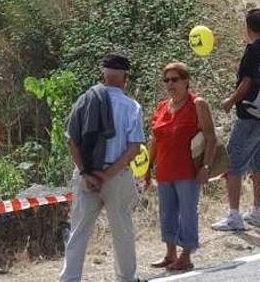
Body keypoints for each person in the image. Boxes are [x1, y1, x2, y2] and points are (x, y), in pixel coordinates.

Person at [60, 54, 145, 282]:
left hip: (85, 175)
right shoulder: (132, 107)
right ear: (125, 78)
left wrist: (87, 173)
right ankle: (126, 277)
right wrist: (106, 175)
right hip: (116, 177)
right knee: (122, 230)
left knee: (78, 230)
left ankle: (69, 278)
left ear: (102, 76)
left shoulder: (84, 100)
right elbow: (134, 148)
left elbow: (71, 140)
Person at [212, 8, 260, 231]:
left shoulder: (252, 50)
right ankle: (257, 211)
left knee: (232, 161)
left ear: (247, 28)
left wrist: (230, 100)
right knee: (259, 160)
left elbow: (245, 82)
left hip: (248, 114)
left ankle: (234, 216)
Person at [147, 63, 216, 272]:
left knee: (187, 213)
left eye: (174, 79)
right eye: (166, 80)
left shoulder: (198, 104)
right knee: (166, 213)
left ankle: (186, 256)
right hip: (165, 170)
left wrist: (206, 167)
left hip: (188, 172)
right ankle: (170, 254)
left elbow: (211, 138)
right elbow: (155, 140)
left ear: (186, 81)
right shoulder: (161, 107)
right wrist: (148, 167)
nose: (170, 84)